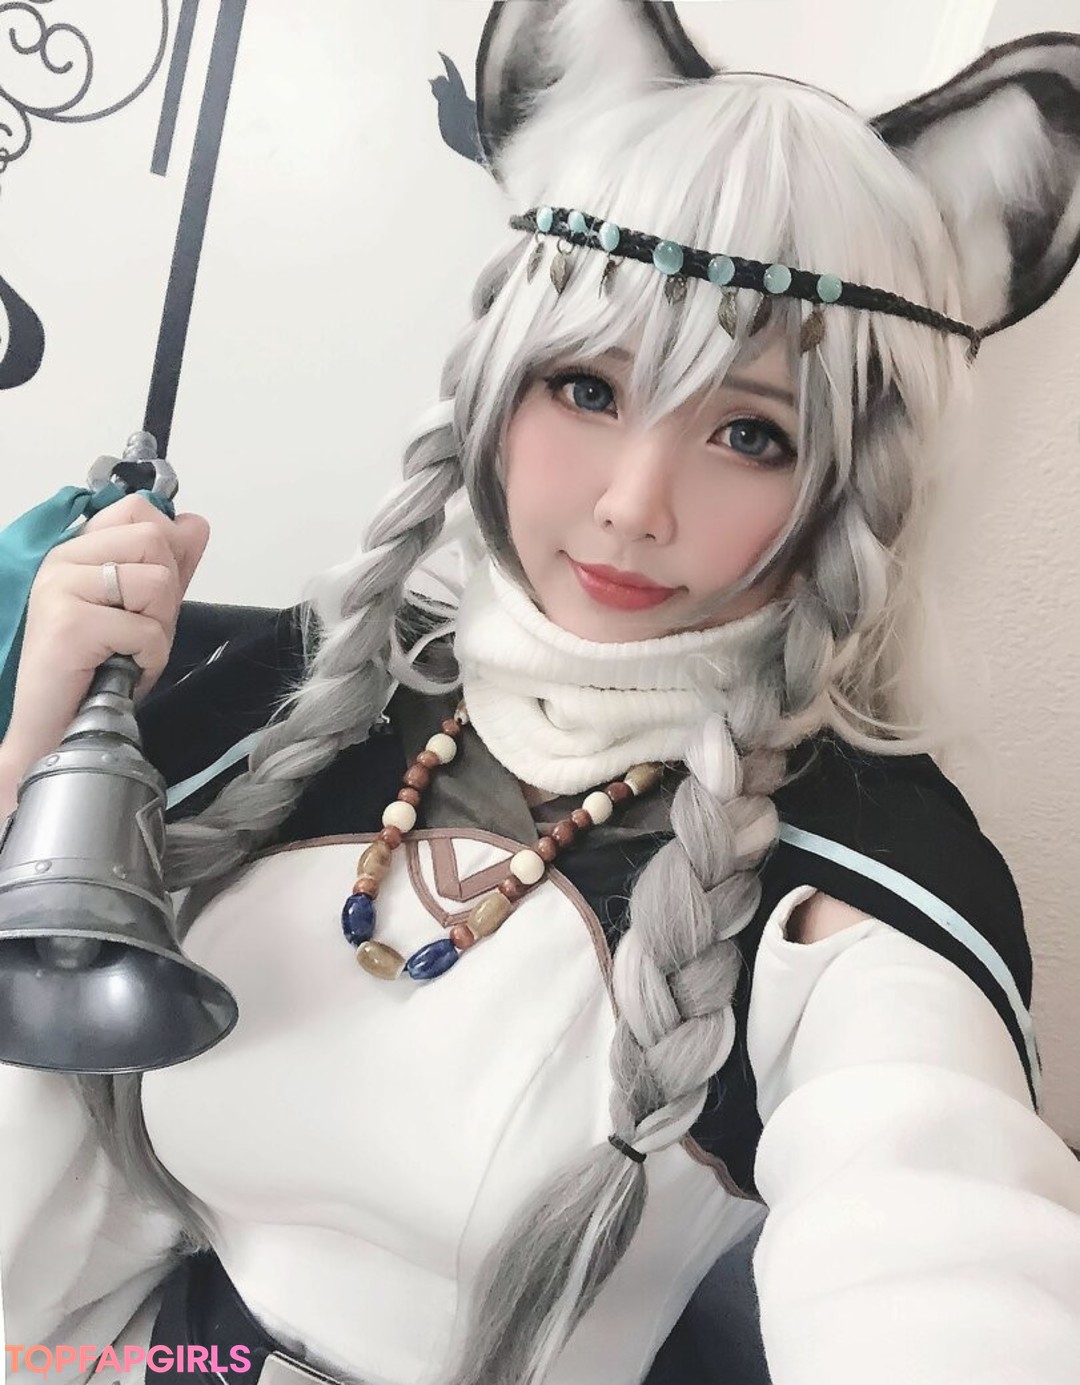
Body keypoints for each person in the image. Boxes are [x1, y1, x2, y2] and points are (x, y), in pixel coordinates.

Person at [2, 3, 1080, 1383]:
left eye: (751, 432)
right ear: (497, 381)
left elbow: (937, 1241)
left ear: (851, 483)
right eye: (587, 388)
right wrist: (37, 759)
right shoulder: (307, 691)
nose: (634, 505)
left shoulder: (858, 885)